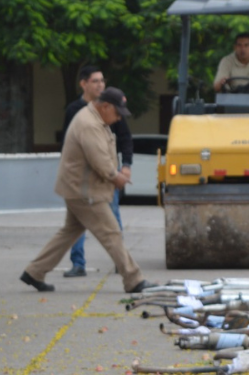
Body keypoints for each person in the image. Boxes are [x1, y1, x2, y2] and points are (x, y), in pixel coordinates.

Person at [21, 87, 153, 295]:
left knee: (69, 233)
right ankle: (133, 279)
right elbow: (99, 159)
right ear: (105, 106)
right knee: (112, 233)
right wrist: (116, 177)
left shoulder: (94, 119)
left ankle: (34, 272)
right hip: (85, 192)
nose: (118, 118)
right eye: (117, 113)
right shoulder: (89, 124)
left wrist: (118, 173)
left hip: (78, 189)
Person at [62, 65, 134, 278]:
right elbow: (68, 145)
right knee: (76, 221)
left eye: (102, 80)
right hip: (81, 177)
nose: (100, 85)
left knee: (112, 218)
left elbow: (125, 138)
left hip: (106, 174)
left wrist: (126, 165)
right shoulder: (74, 110)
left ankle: (120, 263)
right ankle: (78, 263)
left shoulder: (110, 107)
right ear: (83, 84)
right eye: (95, 81)